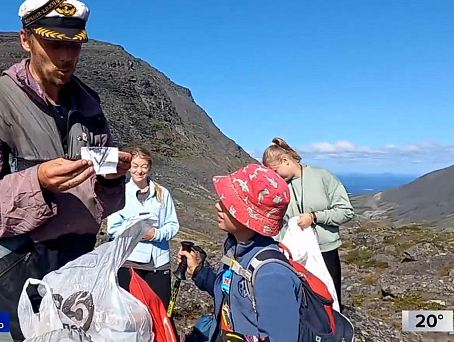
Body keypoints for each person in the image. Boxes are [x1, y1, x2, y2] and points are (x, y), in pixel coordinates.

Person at [0, 0, 131, 342]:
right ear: (25, 39)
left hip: (78, 269)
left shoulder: (89, 107)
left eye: (75, 45)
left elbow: (106, 205)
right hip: (13, 272)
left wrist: (113, 182)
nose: (67, 57)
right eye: (54, 44)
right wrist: (37, 181)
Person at [179, 163, 302, 342]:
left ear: (250, 215)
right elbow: (232, 294)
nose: (217, 205)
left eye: (228, 202)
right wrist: (198, 271)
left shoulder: (272, 274)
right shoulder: (236, 248)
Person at [262, 137, 354, 304]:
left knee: (330, 302)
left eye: (275, 172)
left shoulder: (322, 176)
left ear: (285, 160)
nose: (274, 178)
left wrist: (315, 217)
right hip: (295, 257)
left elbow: (346, 211)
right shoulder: (279, 187)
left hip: (325, 252)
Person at [107, 145, 180, 307]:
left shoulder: (163, 193)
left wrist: (155, 234)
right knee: (130, 314)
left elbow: (173, 225)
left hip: (158, 263)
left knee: (159, 312)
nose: (139, 171)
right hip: (128, 262)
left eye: (144, 166)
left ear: (150, 168)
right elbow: (112, 228)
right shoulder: (120, 193)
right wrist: (134, 231)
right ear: (128, 168)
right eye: (135, 166)